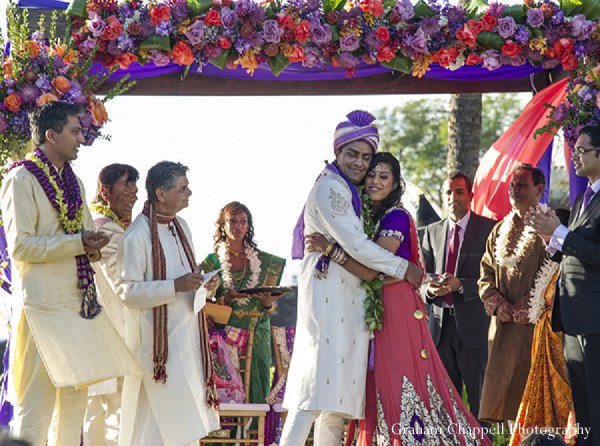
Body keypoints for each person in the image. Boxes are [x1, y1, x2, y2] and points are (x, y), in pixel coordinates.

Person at [305, 153, 491, 445]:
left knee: (400, 384)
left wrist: (331, 250)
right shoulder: (370, 221)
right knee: (382, 385)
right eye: (371, 174)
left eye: (384, 176)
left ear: (394, 185)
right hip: (382, 311)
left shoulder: (396, 217)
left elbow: (369, 270)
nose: (375, 181)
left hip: (397, 310)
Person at [0, 102, 140, 446]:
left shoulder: (74, 181)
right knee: (36, 415)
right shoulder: (20, 178)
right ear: (51, 134)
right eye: (75, 132)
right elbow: (21, 248)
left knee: (72, 417)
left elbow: (83, 241)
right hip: (43, 311)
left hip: (79, 310)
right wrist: (77, 242)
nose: (81, 139)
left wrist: (91, 245)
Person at [281, 110, 423, 446]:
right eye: (352, 154)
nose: (360, 164)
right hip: (328, 308)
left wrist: (333, 250)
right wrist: (404, 268)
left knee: (335, 407)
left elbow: (357, 251)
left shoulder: (352, 193)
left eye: (366, 156)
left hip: (346, 310)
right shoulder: (331, 189)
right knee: (311, 398)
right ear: (337, 152)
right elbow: (359, 245)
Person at [116, 161, 220, 446]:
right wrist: (174, 287)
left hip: (187, 344)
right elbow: (126, 292)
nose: (189, 193)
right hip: (157, 350)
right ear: (161, 193)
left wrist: (206, 285)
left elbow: (187, 276)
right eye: (182, 188)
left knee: (184, 427)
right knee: (153, 427)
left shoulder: (181, 226)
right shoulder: (136, 235)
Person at [526, 125, 600, 446]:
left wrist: (561, 233)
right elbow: (576, 250)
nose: (575, 158)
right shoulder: (585, 197)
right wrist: (551, 238)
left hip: (595, 318)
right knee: (582, 406)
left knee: (597, 404)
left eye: (582, 151)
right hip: (573, 315)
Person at [421, 171, 496, 422]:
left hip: (473, 328)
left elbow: (495, 278)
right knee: (445, 405)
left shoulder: (488, 229)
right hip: (439, 330)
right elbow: (421, 278)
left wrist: (461, 285)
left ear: (470, 195)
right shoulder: (430, 231)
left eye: (459, 191)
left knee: (478, 405)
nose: (453, 197)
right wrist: (429, 290)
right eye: (448, 192)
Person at [478, 164, 548, 424]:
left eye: (522, 185)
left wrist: (530, 304)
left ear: (539, 189)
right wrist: (496, 304)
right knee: (504, 401)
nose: (515, 190)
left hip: (535, 328)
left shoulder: (548, 226)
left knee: (532, 401)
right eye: (512, 185)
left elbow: (555, 274)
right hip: (503, 328)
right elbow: (485, 274)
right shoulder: (499, 231)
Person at [201, 201, 286, 404]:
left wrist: (267, 303)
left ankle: (257, 434)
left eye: (243, 222)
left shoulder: (265, 262)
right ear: (222, 224)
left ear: (248, 226)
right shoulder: (211, 262)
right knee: (227, 386)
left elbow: (270, 308)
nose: (237, 226)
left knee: (260, 384)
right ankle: (230, 433)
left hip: (258, 330)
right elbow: (201, 302)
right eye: (232, 221)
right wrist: (227, 299)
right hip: (225, 334)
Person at [509, 210, 576, 446]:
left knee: (565, 401)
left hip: (562, 346)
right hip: (543, 343)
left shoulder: (569, 263)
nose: (541, 236)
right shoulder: (553, 261)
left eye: (546, 229)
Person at [84, 163, 140, 446]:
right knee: (116, 412)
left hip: (95, 332)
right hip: (115, 333)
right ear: (105, 191)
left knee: (96, 412)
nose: (134, 193)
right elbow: (124, 283)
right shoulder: (108, 230)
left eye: (135, 187)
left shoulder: (98, 224)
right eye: (127, 186)